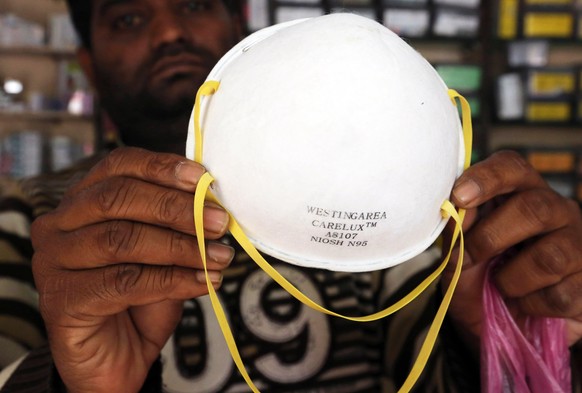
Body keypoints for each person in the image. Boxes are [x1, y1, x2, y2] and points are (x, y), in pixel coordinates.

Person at [1, 0, 582, 391]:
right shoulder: (35, 219)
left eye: (196, 4)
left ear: (245, 28)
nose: (171, 32)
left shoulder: (403, 204)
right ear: (88, 67)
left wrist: (497, 340)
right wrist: (72, 381)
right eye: (128, 19)